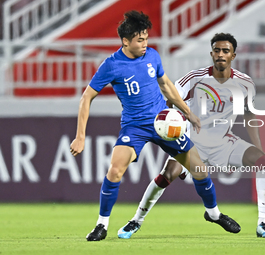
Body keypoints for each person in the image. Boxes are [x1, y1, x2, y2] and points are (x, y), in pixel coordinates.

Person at [70, 11, 241, 241]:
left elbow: (167, 85)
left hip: (164, 122)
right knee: (115, 169)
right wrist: (80, 136)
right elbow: (86, 98)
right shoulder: (111, 65)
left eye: (146, 38)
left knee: (199, 170)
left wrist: (188, 113)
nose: (145, 44)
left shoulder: (152, 56)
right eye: (140, 40)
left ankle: (213, 213)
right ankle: (101, 225)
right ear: (125, 41)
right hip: (135, 127)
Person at [117, 33, 265, 239]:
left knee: (263, 162)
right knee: (166, 176)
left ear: (233, 55)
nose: (221, 54)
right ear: (211, 53)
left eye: (225, 51)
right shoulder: (195, 78)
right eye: (217, 50)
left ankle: (263, 223)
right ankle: (135, 221)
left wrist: (259, 147)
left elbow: (249, 114)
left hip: (224, 142)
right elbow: (169, 99)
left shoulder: (245, 84)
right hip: (192, 141)